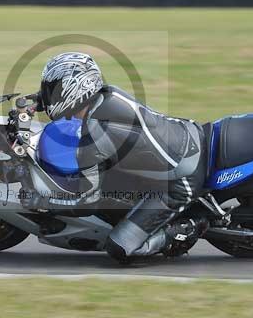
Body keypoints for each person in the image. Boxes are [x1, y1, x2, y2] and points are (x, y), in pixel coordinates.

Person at [21, 51, 209, 263]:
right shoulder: (104, 96)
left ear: (76, 89)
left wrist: (42, 201)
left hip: (179, 181)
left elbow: (86, 202)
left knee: (120, 247)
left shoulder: (96, 134)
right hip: (184, 139)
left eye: (53, 89)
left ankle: (188, 228)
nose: (49, 94)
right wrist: (37, 100)